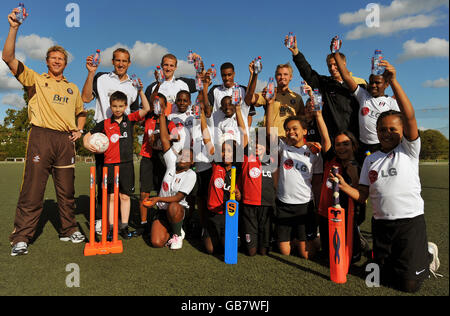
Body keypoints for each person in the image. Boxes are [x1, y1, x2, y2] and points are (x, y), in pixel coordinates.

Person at [330, 60, 440, 292]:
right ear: (376, 132)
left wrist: (395, 82)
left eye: (393, 129)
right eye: (382, 129)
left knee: (409, 286)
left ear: (402, 132)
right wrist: (341, 184)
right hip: (381, 226)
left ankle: (427, 254)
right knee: (381, 278)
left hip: (409, 223)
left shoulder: (408, 150)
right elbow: (361, 195)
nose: (387, 133)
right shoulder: (370, 159)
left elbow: (409, 116)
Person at [3, 9, 87, 256]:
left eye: (61, 58)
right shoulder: (35, 80)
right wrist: (14, 28)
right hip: (41, 137)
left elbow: (81, 112)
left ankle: (69, 229)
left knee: (67, 190)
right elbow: (8, 58)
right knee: (33, 189)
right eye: (53, 58)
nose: (57, 61)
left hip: (65, 142)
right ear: (47, 61)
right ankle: (21, 237)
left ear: (65, 62)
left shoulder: (72, 89)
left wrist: (79, 131)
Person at [81, 47, 140, 235]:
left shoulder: (133, 85)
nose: (121, 64)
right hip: (102, 136)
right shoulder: (101, 78)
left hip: (122, 138)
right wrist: (90, 73)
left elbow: (135, 114)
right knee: (103, 184)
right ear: (113, 62)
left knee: (121, 189)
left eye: (125, 61)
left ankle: (121, 224)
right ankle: (101, 220)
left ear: (129, 63)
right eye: (117, 60)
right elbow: (85, 98)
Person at [83, 85, 151, 240]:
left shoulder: (130, 119)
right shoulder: (104, 123)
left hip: (126, 165)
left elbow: (146, 108)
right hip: (109, 166)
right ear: (110, 106)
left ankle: (124, 226)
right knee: (112, 197)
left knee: (125, 197)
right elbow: (87, 136)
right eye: (115, 106)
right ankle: (112, 228)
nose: (118, 109)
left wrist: (141, 91)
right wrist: (88, 145)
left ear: (126, 106)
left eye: (121, 106)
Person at [266, 89, 322, 259]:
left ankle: (315, 238)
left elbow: (318, 182)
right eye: (288, 129)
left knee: (307, 255)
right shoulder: (283, 148)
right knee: (285, 252)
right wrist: (269, 105)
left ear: (305, 131)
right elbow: (268, 134)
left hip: (305, 206)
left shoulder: (314, 152)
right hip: (284, 204)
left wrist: (318, 205)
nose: (291, 132)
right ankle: (293, 238)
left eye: (295, 129)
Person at [287, 35, 366, 141]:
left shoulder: (360, 83)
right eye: (329, 66)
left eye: (335, 64)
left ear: (343, 63)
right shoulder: (325, 84)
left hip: (356, 139)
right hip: (333, 139)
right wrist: (296, 53)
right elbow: (308, 72)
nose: (332, 68)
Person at [142, 96, 197, 250]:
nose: (182, 157)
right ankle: (171, 230)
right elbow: (166, 140)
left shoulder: (190, 174)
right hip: (162, 210)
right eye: (181, 154)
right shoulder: (172, 164)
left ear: (192, 163)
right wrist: (161, 115)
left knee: (173, 205)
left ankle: (178, 233)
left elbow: (179, 198)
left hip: (177, 209)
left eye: (187, 157)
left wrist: (157, 198)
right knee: (156, 242)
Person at [331, 44, 400, 164]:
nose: (373, 85)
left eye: (377, 83)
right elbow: (346, 77)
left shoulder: (392, 103)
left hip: (382, 145)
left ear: (386, 84)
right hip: (363, 145)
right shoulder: (363, 95)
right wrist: (336, 53)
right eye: (371, 82)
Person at [199, 96, 247, 255]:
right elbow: (206, 137)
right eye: (223, 150)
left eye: (229, 151)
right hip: (214, 214)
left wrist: (239, 110)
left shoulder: (237, 167)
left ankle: (229, 235)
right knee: (211, 250)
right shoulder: (216, 164)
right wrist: (201, 117)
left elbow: (244, 135)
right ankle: (206, 230)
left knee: (230, 248)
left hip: (229, 214)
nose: (226, 154)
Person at [239, 126, 277, 256]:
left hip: (267, 205)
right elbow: (243, 131)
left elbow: (271, 134)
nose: (256, 146)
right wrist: (238, 109)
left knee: (264, 252)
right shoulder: (245, 158)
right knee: (251, 252)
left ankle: (266, 241)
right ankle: (244, 240)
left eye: (260, 143)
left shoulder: (273, 159)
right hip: (249, 205)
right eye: (254, 143)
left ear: (267, 147)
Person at [245, 61, 305, 138]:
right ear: (275, 76)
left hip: (290, 140)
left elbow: (302, 122)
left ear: (291, 77)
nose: (282, 77)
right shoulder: (268, 93)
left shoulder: (297, 98)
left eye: (285, 74)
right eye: (279, 74)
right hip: (270, 139)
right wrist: (253, 75)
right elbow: (249, 99)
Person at [207, 62, 253, 130]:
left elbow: (249, 114)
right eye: (224, 75)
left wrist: (245, 133)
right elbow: (206, 107)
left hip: (238, 136)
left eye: (229, 75)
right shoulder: (215, 90)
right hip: (219, 135)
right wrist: (205, 85)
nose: (227, 78)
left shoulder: (243, 90)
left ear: (234, 74)